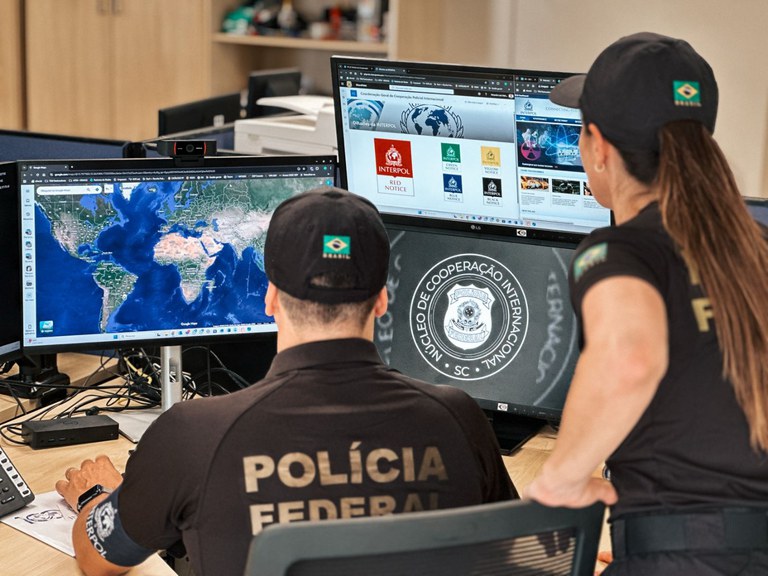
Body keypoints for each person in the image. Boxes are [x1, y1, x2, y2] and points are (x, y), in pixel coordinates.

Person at [55, 186, 516, 576]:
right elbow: (515, 558)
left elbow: (99, 562)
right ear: (381, 300)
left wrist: (99, 497)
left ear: (271, 297)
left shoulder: (192, 434)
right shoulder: (458, 418)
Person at [524, 32, 768, 575]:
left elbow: (630, 357)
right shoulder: (759, 247)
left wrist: (559, 480)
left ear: (598, 147)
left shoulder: (619, 251)